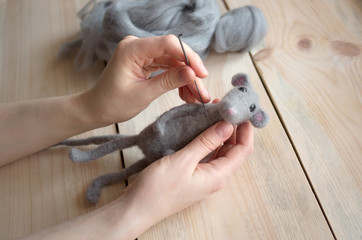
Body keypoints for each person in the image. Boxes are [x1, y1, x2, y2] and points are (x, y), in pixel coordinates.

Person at [0, 35, 254, 240]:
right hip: (153, 136)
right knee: (121, 142)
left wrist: (88, 108)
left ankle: (100, 181)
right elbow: (179, 113)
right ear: (238, 82)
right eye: (240, 91)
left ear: (255, 118)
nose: (233, 106)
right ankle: (84, 152)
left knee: (128, 169)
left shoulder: (214, 117)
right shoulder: (204, 108)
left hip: (162, 152)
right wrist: (135, 212)